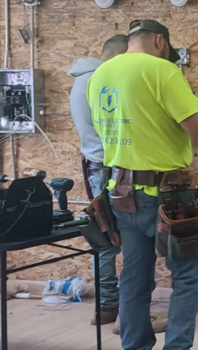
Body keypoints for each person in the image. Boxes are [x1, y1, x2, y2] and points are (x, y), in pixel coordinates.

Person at [89, 19, 198, 350]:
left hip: (122, 192)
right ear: (160, 41)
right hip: (169, 196)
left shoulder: (99, 76)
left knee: (134, 277)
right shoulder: (162, 70)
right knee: (186, 277)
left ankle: (135, 346)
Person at [68, 34, 127, 326]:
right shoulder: (101, 80)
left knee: (107, 238)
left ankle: (108, 306)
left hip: (96, 168)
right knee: (122, 239)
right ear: (120, 55)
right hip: (111, 168)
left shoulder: (81, 80)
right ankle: (121, 310)